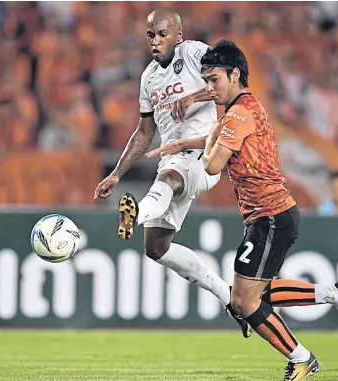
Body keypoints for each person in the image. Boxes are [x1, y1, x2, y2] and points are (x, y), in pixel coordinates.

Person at [146, 40, 338, 381]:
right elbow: (219, 136)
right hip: (270, 216)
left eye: (214, 79)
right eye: (205, 80)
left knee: (245, 303)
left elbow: (211, 165)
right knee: (250, 297)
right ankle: (336, 294)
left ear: (234, 74)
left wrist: (200, 143)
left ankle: (301, 357)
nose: (209, 88)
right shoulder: (244, 109)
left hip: (270, 216)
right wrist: (182, 143)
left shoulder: (238, 113)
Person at [93, 7, 252, 338]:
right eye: (150, 35)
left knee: (168, 179)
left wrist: (194, 95)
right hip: (173, 160)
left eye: (162, 34)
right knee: (156, 248)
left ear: (178, 34)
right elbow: (143, 133)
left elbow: (226, 84)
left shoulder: (193, 52)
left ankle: (133, 216)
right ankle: (228, 298)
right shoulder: (148, 77)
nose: (155, 41)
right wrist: (117, 174)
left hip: (205, 153)